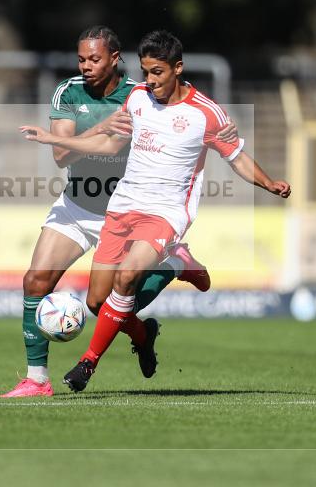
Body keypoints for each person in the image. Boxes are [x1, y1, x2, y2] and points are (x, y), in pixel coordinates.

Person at [21, 30, 291, 392]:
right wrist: (55, 139)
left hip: (165, 212)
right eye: (146, 72)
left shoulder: (206, 113)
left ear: (177, 68)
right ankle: (170, 278)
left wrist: (269, 182)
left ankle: (87, 364)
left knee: (127, 277)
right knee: (97, 302)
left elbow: (236, 157)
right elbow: (108, 141)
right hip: (122, 206)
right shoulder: (137, 98)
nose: (149, 80)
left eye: (157, 73)